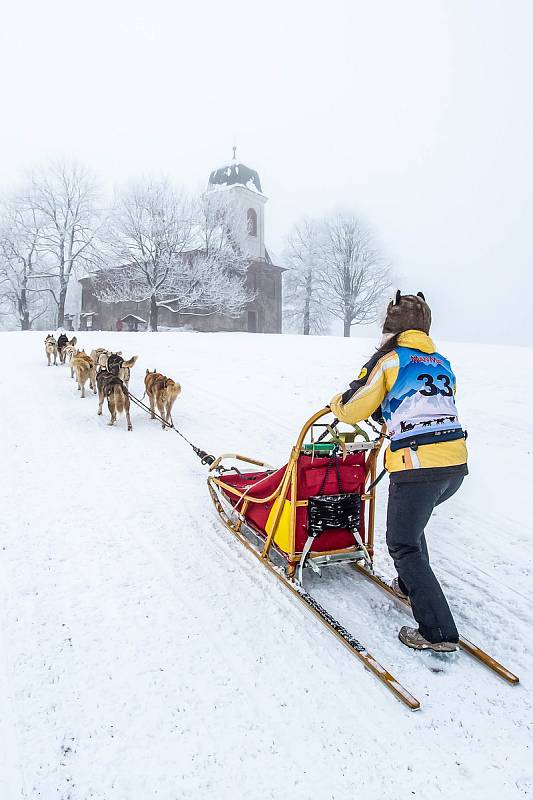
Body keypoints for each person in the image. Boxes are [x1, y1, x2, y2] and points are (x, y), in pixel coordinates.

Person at [330, 291, 468, 653]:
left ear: (393, 327)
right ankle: (409, 585)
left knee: (402, 542)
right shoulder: (441, 362)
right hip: (454, 464)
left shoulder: (391, 360)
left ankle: (437, 631)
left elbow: (354, 406)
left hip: (418, 464)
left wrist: (337, 404)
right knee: (412, 526)